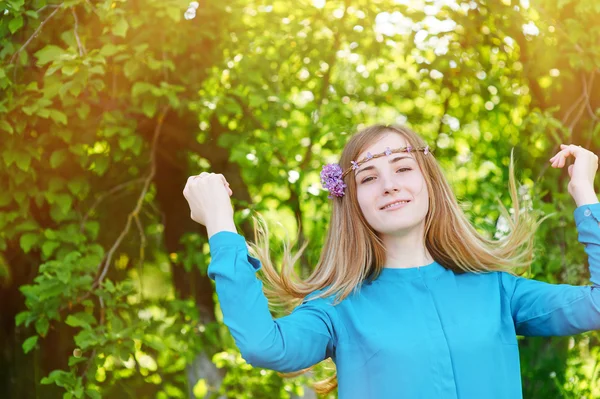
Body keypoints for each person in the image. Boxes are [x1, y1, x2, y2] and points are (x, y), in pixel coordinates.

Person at [182, 124, 600, 399]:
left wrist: (584, 192)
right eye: (368, 178)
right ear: (353, 202)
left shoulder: (497, 289)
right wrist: (220, 222)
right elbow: (262, 345)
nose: (389, 185)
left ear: (429, 182)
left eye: (402, 167)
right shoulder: (336, 308)